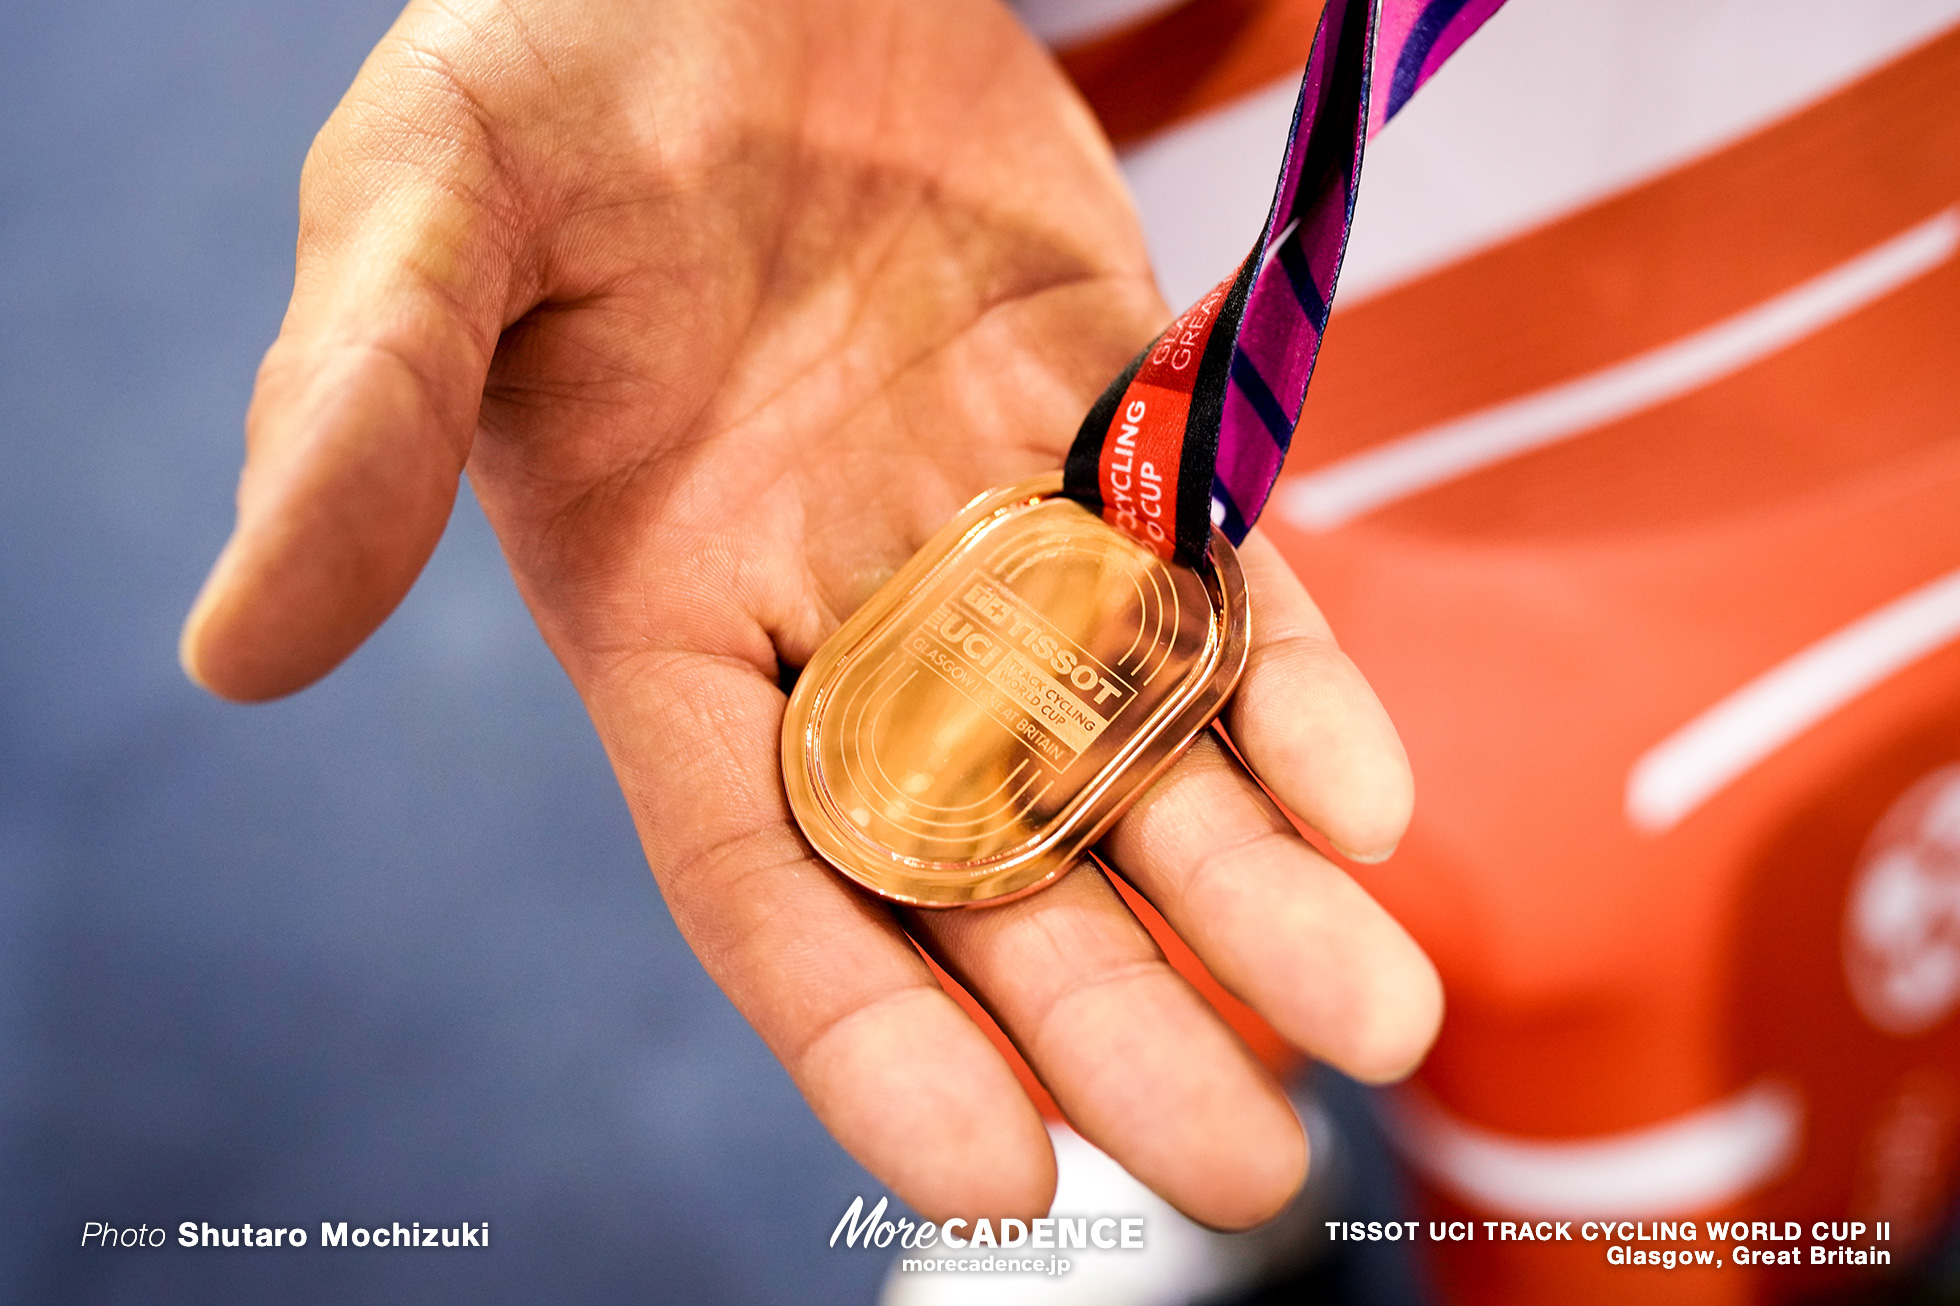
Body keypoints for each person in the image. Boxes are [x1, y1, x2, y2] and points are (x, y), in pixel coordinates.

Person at [177, 0, 1440, 1238]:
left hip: (1573, 289)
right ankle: (1132, 1140)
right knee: (1146, 922)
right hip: (1079, 185)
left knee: (1541, 993)